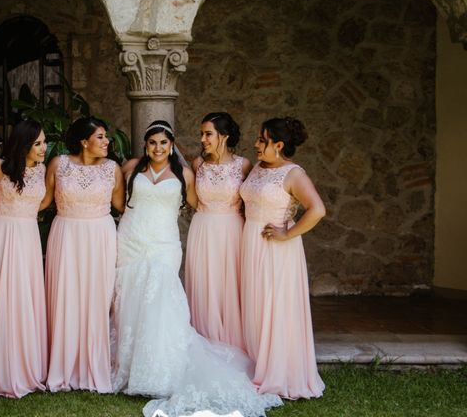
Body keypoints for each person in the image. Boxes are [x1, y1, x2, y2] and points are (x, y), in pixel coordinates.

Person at [112, 120, 281, 417]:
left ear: (172, 145)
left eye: (164, 143)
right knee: (130, 298)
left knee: (162, 301)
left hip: (164, 242)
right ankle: (127, 364)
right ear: (145, 144)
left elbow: (195, 203)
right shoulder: (131, 168)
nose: (158, 148)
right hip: (132, 239)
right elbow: (118, 201)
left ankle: (158, 369)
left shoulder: (186, 172)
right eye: (153, 142)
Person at [240, 117, 326, 400]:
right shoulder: (258, 168)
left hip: (277, 248)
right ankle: (257, 362)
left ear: (278, 145)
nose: (256, 144)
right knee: (255, 305)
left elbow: (317, 210)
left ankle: (280, 371)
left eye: (262, 140)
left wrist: (286, 233)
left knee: (274, 307)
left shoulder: (294, 174)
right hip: (251, 242)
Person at [43, 116, 125, 392]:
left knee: (97, 298)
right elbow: (42, 201)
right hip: (66, 234)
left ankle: (94, 364)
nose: (106, 142)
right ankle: (63, 365)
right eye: (100, 136)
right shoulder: (59, 164)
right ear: (83, 141)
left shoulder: (113, 168)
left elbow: (122, 206)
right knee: (65, 296)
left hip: (100, 235)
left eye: (106, 136)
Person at [0, 120, 48, 397]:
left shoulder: (42, 169)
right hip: (3, 232)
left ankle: (26, 364)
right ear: (23, 144)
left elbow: (43, 200)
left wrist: (30, 212)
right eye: (38, 144)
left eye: (44, 142)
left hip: (28, 234)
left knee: (25, 295)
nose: (44, 148)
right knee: (3, 295)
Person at [186, 112, 252, 348]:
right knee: (204, 284)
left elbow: (249, 201)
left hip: (232, 229)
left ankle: (233, 341)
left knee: (230, 285)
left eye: (208, 134)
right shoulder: (198, 165)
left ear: (223, 136)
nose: (203, 139)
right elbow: (193, 200)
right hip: (203, 227)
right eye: (202, 134)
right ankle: (206, 340)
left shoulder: (243, 165)